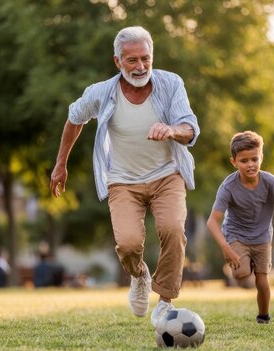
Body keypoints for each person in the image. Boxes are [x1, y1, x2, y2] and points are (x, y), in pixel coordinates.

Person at [50, 26, 199, 327]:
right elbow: (74, 119)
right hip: (122, 179)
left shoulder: (171, 84)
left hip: (167, 175)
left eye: (146, 58)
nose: (141, 66)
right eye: (132, 60)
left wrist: (171, 129)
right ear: (117, 62)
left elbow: (190, 127)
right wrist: (60, 164)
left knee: (172, 229)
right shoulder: (101, 92)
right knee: (129, 244)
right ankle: (140, 275)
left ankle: (166, 300)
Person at [206, 131, 274, 324]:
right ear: (234, 162)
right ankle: (242, 261)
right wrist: (226, 248)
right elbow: (212, 221)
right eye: (244, 161)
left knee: (262, 279)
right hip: (236, 235)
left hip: (262, 237)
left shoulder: (270, 182)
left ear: (261, 157)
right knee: (241, 274)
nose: (250, 164)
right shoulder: (228, 187)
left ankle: (263, 316)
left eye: (254, 159)